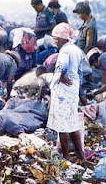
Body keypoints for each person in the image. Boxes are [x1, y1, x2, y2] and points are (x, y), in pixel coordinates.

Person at [48, 22, 86, 164]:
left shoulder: (65, 51)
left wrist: (59, 78)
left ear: (64, 38)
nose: (55, 41)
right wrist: (76, 84)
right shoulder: (76, 50)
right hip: (73, 90)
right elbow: (80, 72)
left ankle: (66, 159)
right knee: (73, 124)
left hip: (63, 92)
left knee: (62, 127)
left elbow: (61, 66)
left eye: (56, 38)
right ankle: (82, 157)